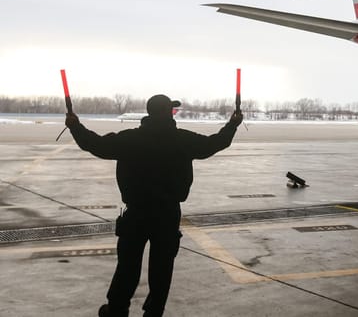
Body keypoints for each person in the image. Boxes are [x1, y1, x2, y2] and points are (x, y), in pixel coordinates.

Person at [65, 94, 243, 317]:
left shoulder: (130, 139)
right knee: (162, 270)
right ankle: (153, 312)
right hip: (167, 215)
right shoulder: (182, 139)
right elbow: (215, 143)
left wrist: (75, 126)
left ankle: (117, 310)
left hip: (136, 213)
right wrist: (233, 124)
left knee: (127, 267)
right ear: (167, 112)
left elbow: (96, 145)